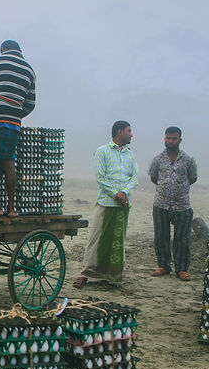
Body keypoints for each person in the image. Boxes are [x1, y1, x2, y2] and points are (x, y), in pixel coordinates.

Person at [74, 120, 138, 287]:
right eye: (129, 131)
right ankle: (86, 273)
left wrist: (124, 193)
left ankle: (112, 276)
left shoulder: (130, 154)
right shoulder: (102, 151)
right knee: (96, 238)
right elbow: (100, 177)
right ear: (119, 132)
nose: (131, 134)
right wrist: (115, 194)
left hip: (123, 204)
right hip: (106, 202)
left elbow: (134, 178)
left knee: (117, 241)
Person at [0, 39, 37, 217]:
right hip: (13, 124)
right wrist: (16, 115)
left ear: (3, 49)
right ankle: (11, 209)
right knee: (8, 161)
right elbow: (31, 104)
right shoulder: (30, 71)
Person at [149, 126, 198, 281]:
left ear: (180, 140)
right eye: (168, 138)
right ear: (164, 139)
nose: (170, 141)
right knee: (161, 236)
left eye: (174, 138)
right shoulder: (157, 159)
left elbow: (193, 178)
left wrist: (178, 189)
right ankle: (163, 265)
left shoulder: (188, 160)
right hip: (161, 204)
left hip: (182, 205)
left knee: (182, 238)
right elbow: (153, 177)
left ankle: (182, 269)